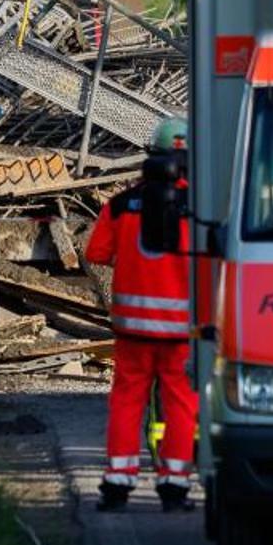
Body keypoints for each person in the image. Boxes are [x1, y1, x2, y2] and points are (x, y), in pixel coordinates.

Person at [86, 117, 198, 512]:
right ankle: (175, 485)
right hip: (182, 333)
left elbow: (96, 253)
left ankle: (118, 481)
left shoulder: (120, 205)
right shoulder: (199, 208)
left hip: (132, 330)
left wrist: (131, 262)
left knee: (127, 401)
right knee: (182, 405)